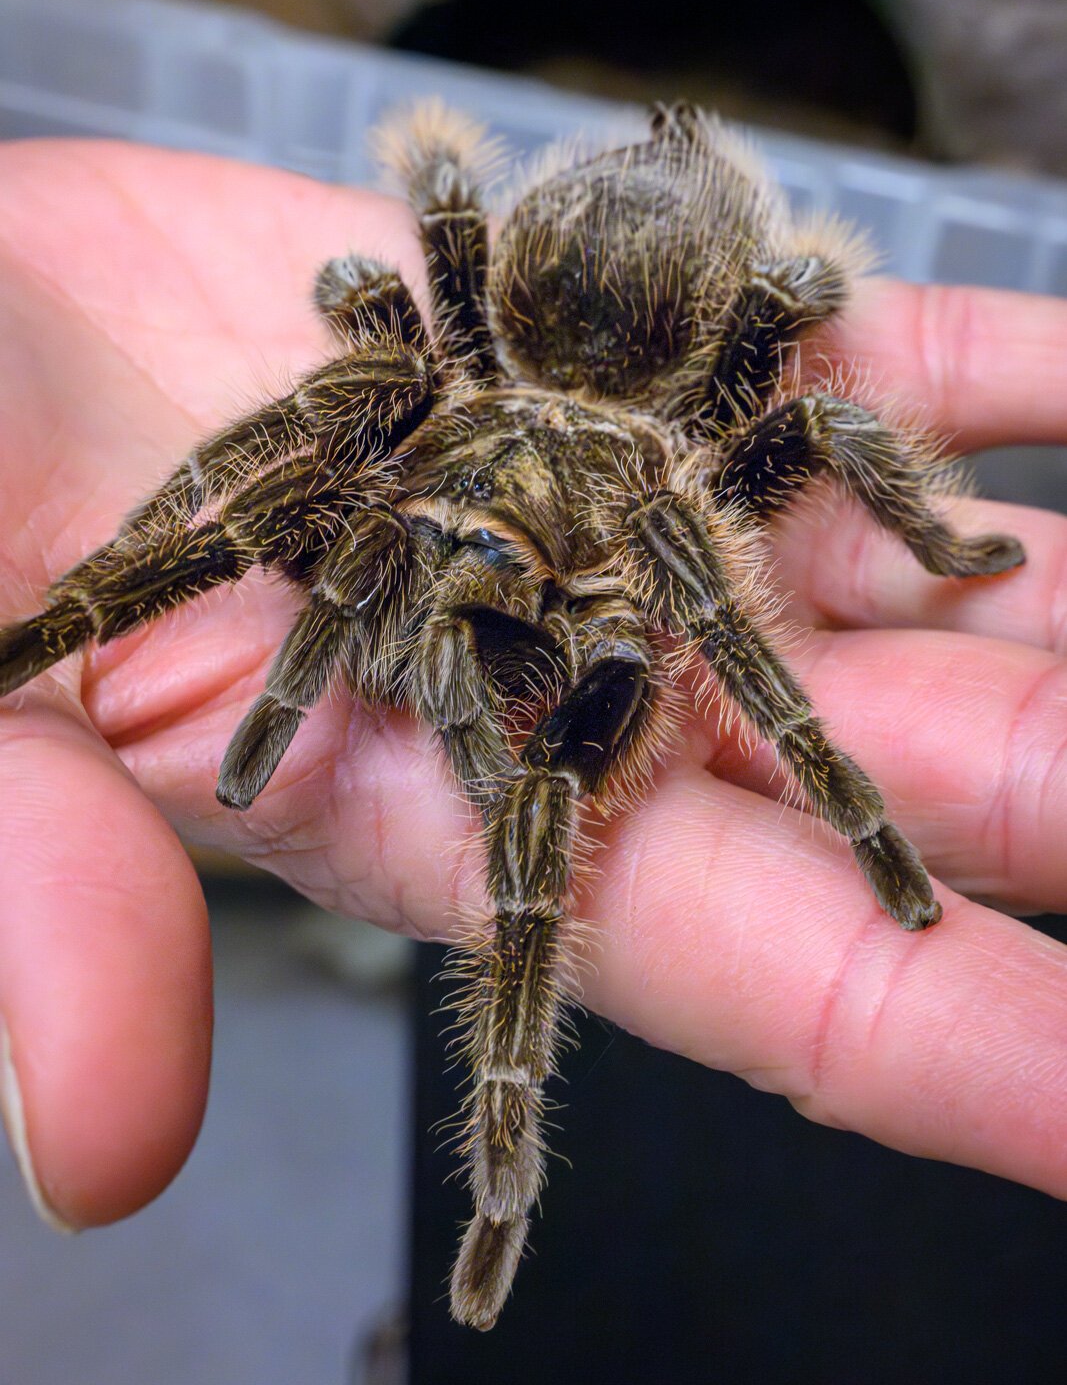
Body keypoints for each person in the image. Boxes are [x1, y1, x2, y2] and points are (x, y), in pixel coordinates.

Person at [0, 136, 1065, 1234]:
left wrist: (860, 725)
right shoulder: (409, 397)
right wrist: (182, 499)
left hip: (637, 423)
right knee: (349, 415)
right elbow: (358, 314)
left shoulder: (658, 523)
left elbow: (806, 437)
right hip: (515, 391)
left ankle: (501, 1167)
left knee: (553, 778)